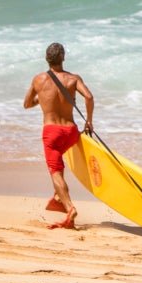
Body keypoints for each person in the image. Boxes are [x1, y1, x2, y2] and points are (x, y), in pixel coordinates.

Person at [23, 42, 94, 230]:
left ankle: (69, 208)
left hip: (52, 132)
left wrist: (43, 98)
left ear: (47, 59)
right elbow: (89, 97)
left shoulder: (38, 80)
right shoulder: (74, 79)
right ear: (63, 57)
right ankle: (57, 198)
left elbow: (27, 104)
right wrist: (89, 121)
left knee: (54, 171)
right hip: (71, 132)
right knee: (59, 164)